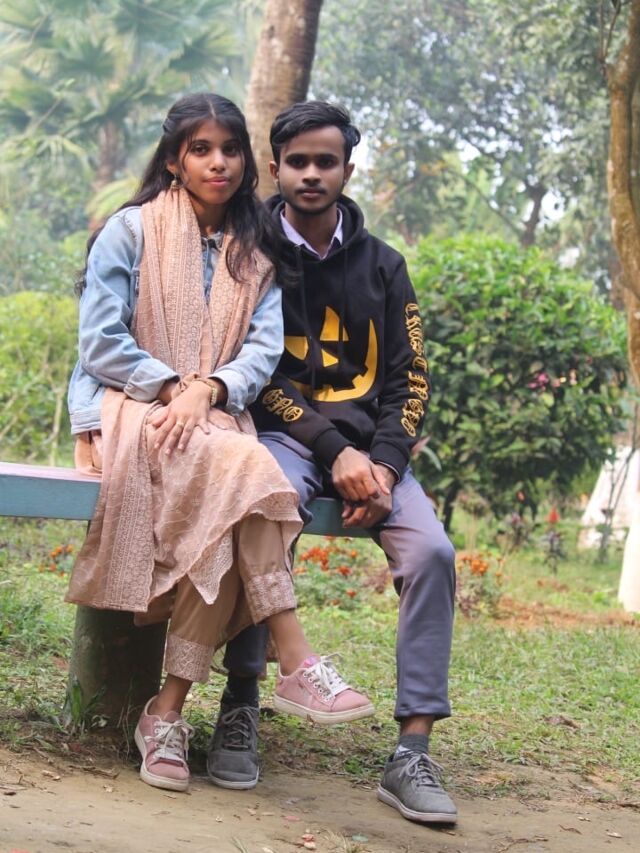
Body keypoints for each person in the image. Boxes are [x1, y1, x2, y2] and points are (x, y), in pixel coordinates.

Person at [65, 93, 373, 794]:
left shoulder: (253, 250)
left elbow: (262, 352)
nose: (218, 162)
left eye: (230, 149)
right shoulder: (130, 230)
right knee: (250, 470)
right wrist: (176, 386)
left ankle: (166, 714)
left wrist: (209, 390)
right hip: (133, 410)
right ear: (174, 160)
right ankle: (295, 656)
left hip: (213, 416)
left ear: (245, 161)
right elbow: (101, 342)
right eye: (200, 149)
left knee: (232, 512)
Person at [208, 101, 457, 825]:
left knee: (434, 553)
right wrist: (335, 450)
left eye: (326, 161)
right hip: (287, 441)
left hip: (376, 458)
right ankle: (241, 702)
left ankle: (412, 749)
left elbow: (410, 376)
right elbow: (252, 369)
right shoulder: (247, 255)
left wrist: (383, 466)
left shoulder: (385, 265)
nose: (311, 174)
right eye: (298, 162)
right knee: (265, 510)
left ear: (348, 169)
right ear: (275, 167)